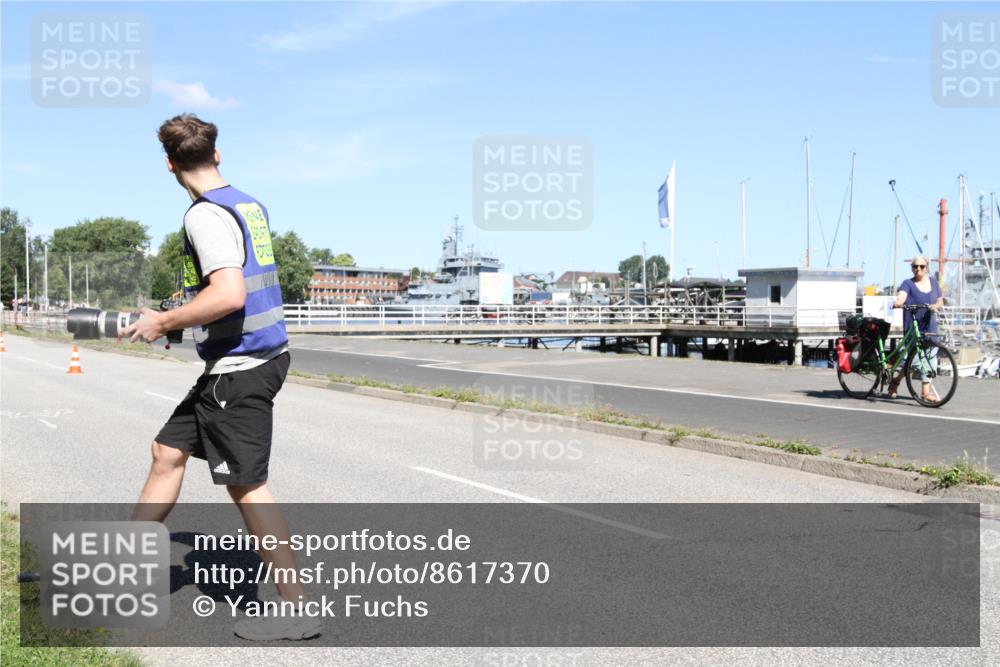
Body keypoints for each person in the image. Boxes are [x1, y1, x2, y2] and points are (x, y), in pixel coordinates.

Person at [125, 113, 321, 641]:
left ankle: (296, 610)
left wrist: (162, 321)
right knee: (167, 453)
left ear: (169, 164)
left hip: (239, 368)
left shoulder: (204, 216)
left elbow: (229, 294)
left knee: (247, 485)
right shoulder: (246, 204)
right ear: (216, 154)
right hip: (248, 359)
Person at [888, 254, 944, 401]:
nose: (918, 269)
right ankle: (895, 381)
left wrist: (935, 306)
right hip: (914, 326)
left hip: (930, 325)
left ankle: (925, 393)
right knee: (913, 362)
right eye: (915, 266)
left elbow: (940, 301)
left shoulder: (933, 282)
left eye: (921, 266)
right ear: (912, 268)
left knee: (930, 358)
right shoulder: (907, 283)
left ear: (926, 268)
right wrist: (898, 302)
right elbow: (901, 296)